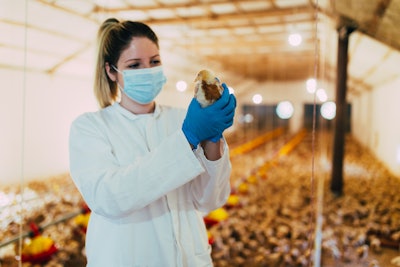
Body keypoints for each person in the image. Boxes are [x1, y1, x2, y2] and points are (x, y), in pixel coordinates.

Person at [69, 18, 236, 267]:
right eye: (135, 65)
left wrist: (213, 140)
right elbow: (109, 197)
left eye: (154, 62)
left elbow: (209, 201)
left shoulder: (181, 119)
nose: (147, 71)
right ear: (111, 71)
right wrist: (187, 140)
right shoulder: (90, 127)